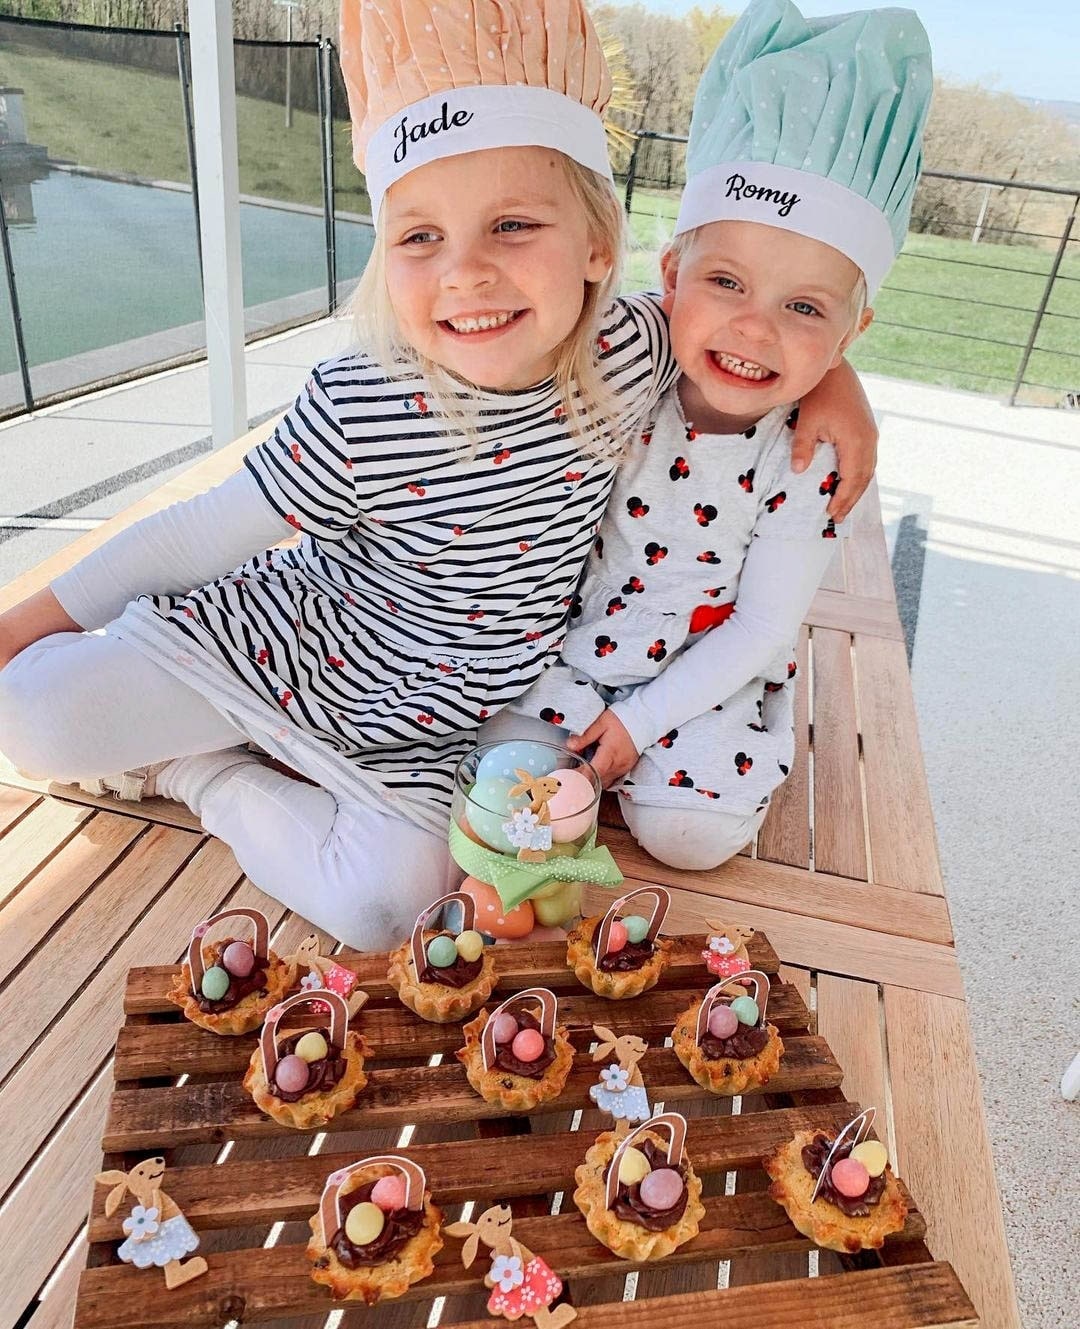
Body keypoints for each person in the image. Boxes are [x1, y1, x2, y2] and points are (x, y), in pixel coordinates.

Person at [0, 0, 877, 948]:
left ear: (595, 246)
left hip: (440, 722)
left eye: (510, 225)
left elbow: (747, 324)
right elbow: (201, 529)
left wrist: (839, 379)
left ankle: (193, 770)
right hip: (279, 647)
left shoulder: (632, 350)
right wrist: (21, 625)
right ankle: (185, 729)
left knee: (387, 909)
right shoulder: (362, 401)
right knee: (30, 722)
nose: (465, 272)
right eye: (421, 238)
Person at [494, 0, 932, 871]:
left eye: (804, 308)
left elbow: (765, 624)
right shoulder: (623, 359)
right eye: (725, 282)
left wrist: (637, 725)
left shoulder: (807, 454)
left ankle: (648, 764)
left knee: (690, 837)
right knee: (501, 780)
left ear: (852, 334)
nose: (755, 330)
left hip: (711, 664)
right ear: (670, 278)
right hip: (576, 636)